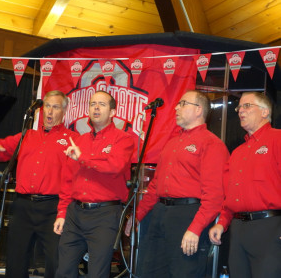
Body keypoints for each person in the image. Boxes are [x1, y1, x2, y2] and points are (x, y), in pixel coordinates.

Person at [126, 90, 230, 278]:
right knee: (149, 270)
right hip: (160, 213)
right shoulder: (172, 143)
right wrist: (137, 216)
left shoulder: (211, 144)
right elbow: (155, 185)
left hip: (188, 214)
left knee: (184, 272)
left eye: (182, 103)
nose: (176, 107)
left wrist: (195, 228)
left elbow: (214, 196)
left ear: (199, 110)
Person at [0, 90, 79, 278]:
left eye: (55, 107)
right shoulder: (27, 135)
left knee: (55, 260)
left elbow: (72, 178)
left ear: (64, 111)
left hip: (52, 207)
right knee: (16, 259)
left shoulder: (71, 139)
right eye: (47, 106)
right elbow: (2, 150)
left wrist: (63, 211)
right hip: (23, 205)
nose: (49, 111)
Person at [54, 90, 134, 278]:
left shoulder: (123, 139)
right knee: (64, 270)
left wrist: (83, 157)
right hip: (75, 213)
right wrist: (62, 213)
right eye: (92, 104)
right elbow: (67, 180)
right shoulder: (80, 140)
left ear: (113, 112)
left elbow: (114, 166)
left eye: (102, 104)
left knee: (97, 272)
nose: (96, 107)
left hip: (105, 214)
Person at [209, 92, 281, 278]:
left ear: (265, 112)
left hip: (271, 227)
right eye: (239, 107)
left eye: (247, 106)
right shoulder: (237, 153)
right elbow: (231, 195)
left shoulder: (277, 139)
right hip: (238, 229)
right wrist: (222, 224)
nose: (241, 111)